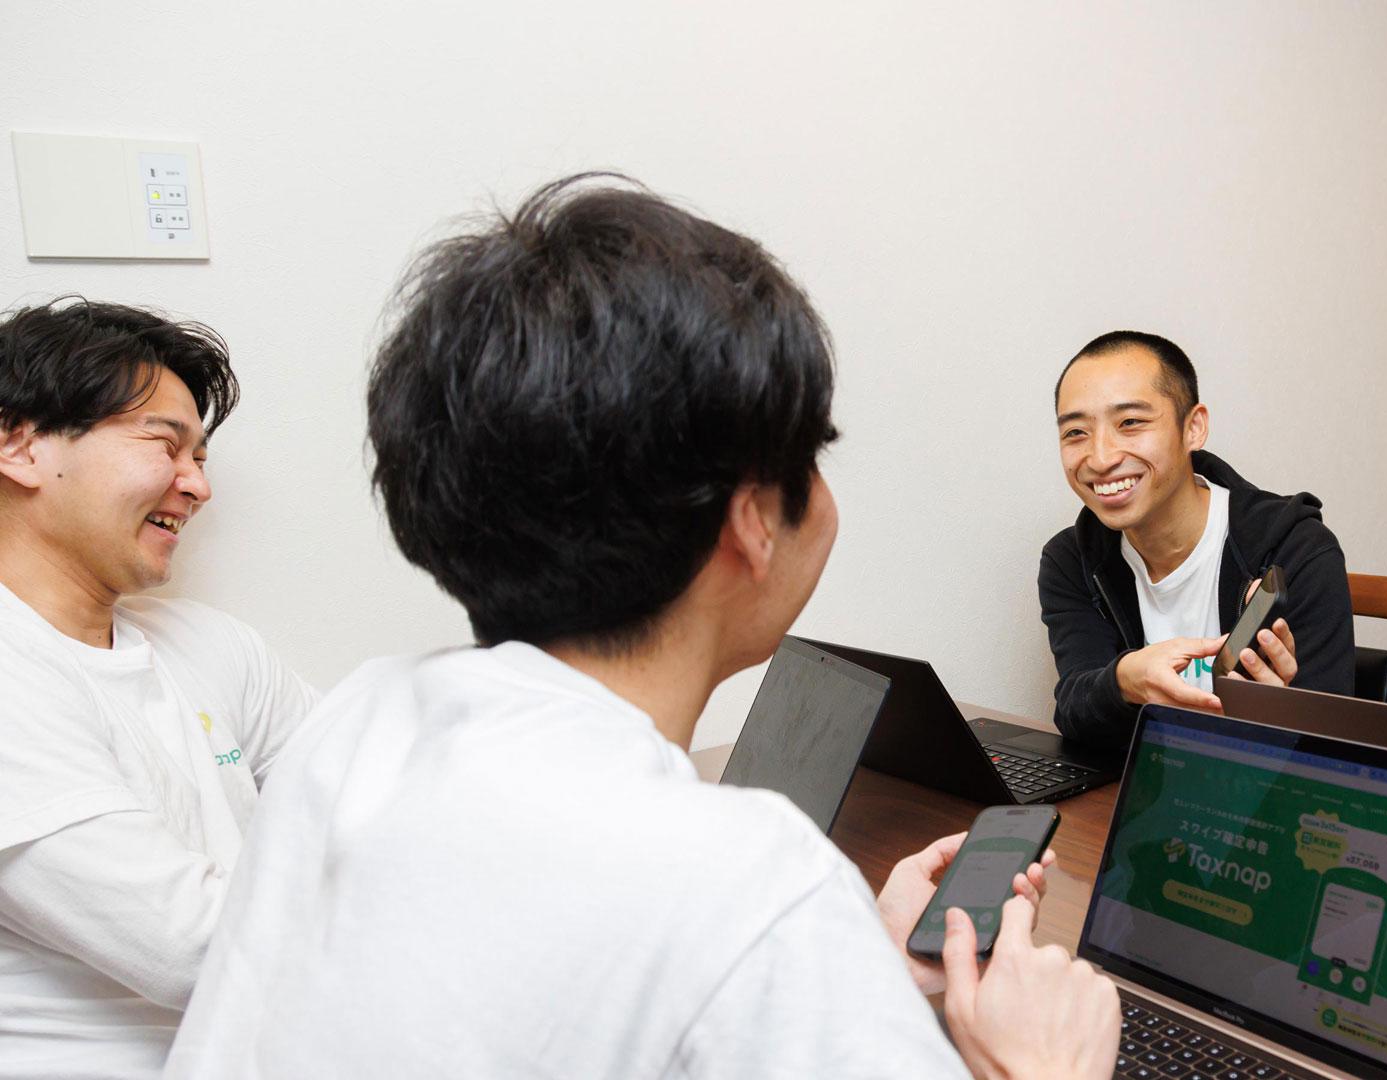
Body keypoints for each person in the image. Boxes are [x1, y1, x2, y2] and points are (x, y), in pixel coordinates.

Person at [164, 175, 1120, 1078]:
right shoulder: (753, 885)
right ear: (754, 518)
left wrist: (841, 971)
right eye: (812, 457)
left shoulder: (360, 724)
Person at [0, 299, 319, 1078]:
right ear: (19, 446)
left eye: (200, 458)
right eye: (165, 444)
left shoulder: (210, 644)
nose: (197, 486)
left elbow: (368, 800)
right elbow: (194, 947)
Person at [1039, 331, 1356, 749]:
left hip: (1265, 783)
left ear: (1193, 427)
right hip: (1146, 784)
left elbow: (1330, 745)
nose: (1100, 458)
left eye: (1130, 423)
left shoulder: (1295, 548)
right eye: (1076, 432)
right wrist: (1124, 681)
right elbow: (1075, 712)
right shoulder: (1071, 560)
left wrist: (1277, 716)